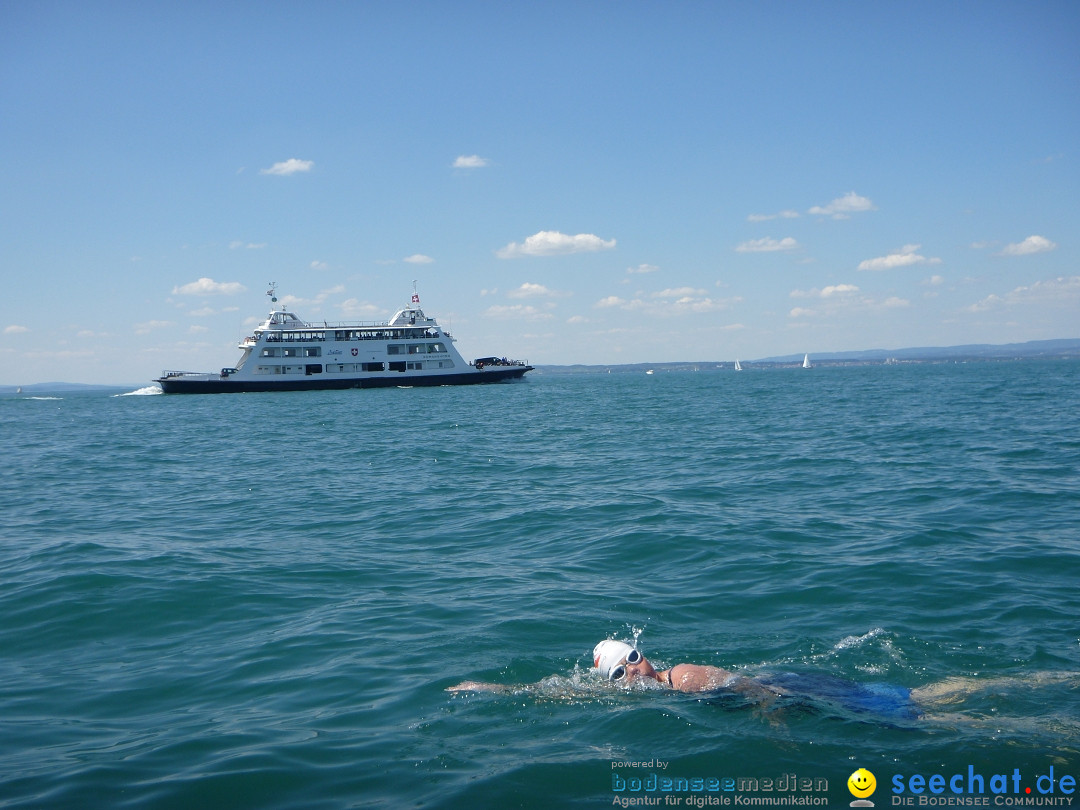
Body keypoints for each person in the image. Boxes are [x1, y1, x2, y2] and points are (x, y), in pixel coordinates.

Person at [448, 638, 1079, 724]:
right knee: (920, 699)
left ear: (643, 656)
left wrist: (771, 724)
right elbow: (554, 693)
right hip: (789, 680)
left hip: (792, 686)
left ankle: (1049, 698)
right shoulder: (639, 688)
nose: (630, 672)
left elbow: (759, 690)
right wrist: (494, 692)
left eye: (632, 659)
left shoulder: (685, 678)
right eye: (618, 672)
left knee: (923, 712)